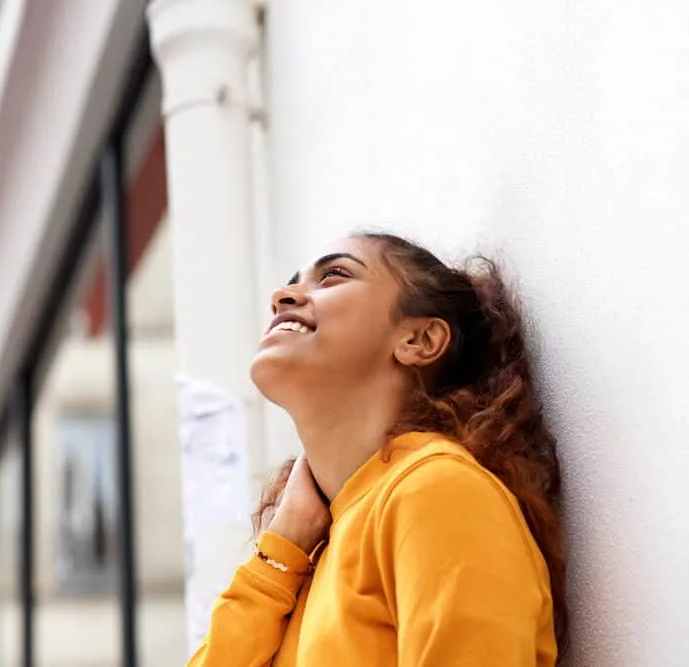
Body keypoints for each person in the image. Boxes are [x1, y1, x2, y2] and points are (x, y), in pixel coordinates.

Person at [188, 232, 567, 666]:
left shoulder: (440, 492)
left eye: (334, 275)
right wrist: (280, 551)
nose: (283, 296)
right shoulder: (312, 551)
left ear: (420, 340)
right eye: (293, 282)